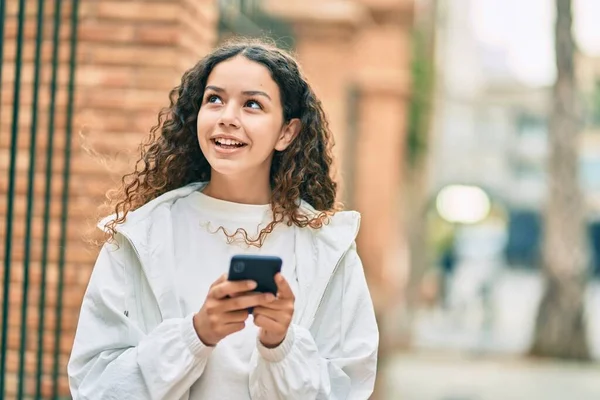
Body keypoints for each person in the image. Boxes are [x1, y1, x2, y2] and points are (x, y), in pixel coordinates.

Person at [67, 38, 379, 400]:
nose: (227, 117)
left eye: (252, 104)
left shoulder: (327, 247)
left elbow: (349, 388)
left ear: (286, 132)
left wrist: (280, 344)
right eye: (214, 99)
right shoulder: (141, 234)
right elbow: (94, 386)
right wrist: (196, 335)